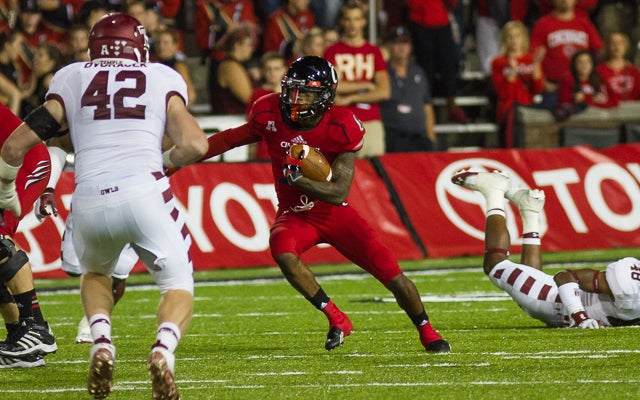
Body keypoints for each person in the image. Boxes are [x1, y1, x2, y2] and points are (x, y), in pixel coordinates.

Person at [0, 13, 208, 398]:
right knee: (177, 284)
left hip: (89, 196)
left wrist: (7, 189)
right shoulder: (161, 76)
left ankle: (100, 341)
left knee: (95, 274)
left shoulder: (71, 76)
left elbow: (14, 146)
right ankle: (163, 349)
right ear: (139, 46)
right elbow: (196, 144)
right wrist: (163, 162)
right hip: (146, 191)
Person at [193, 55, 450, 353]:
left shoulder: (341, 125)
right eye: (292, 90)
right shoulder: (269, 111)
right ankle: (337, 318)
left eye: (306, 93)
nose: (295, 99)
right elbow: (228, 140)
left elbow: (339, 192)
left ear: (325, 95)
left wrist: (299, 180)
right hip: (295, 214)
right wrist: (182, 159)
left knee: (392, 275)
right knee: (282, 250)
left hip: (332, 214)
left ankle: (427, 330)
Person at [451, 169, 640, 328]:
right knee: (494, 265)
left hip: (558, 307)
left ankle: (530, 211)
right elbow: (565, 277)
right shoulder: (629, 282)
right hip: (548, 299)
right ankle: (493, 191)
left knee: (532, 273)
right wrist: (580, 316)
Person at [0, 102, 55, 369]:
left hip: (25, 164)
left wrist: (51, 187)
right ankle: (18, 339)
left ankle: (36, 327)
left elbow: (23, 142)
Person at [323, 1, 391, 158]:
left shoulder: (374, 52)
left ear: (363, 21)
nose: (352, 24)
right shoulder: (332, 51)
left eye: (356, 19)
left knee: (376, 171)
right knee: (344, 172)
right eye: (348, 19)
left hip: (370, 121)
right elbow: (333, 85)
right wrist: (366, 85)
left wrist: (351, 97)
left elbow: (384, 91)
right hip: (342, 122)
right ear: (342, 22)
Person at [530, 0, 604, 110]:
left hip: (583, 88)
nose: (564, 0)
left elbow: (600, 52)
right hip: (554, 89)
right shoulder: (542, 25)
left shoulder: (585, 24)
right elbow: (534, 58)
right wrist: (543, 83)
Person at [406, 0, 468, 123]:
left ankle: (452, 106)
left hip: (441, 19)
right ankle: (426, 108)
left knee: (449, 64)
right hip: (421, 21)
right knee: (426, 68)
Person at [379, 26, 437, 152]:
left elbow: (427, 106)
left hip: (419, 138)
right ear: (388, 46)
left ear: (410, 46)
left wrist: (431, 136)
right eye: (396, 42)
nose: (401, 47)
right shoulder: (381, 71)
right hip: (392, 137)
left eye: (405, 42)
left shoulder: (418, 72)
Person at [490, 21, 544, 148]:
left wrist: (536, 66)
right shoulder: (498, 62)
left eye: (517, 36)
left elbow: (537, 89)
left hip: (528, 110)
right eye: (510, 36)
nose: (514, 40)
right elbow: (503, 92)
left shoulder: (531, 60)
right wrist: (512, 70)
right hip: (508, 111)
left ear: (524, 38)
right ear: (505, 39)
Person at [246, 51, 287, 160]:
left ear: (284, 70)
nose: (272, 73)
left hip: (287, 149)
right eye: (269, 69)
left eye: (276, 69)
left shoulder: (292, 93)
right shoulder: (257, 94)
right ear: (263, 71)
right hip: (265, 150)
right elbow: (253, 122)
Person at [556, 50, 617, 120]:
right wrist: (595, 101)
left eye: (587, 61)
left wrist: (586, 99)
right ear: (574, 65)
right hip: (578, 123)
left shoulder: (600, 79)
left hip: (601, 120)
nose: (584, 65)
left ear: (592, 64)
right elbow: (565, 106)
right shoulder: (567, 81)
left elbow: (614, 102)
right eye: (580, 62)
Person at [210, 26, 256, 115]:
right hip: (232, 121)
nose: (251, 49)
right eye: (249, 45)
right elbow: (249, 98)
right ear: (237, 45)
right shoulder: (230, 67)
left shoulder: (237, 65)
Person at [596, 32, 640, 103]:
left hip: (632, 111)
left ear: (626, 46)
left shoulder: (633, 70)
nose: (617, 46)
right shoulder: (600, 70)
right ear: (607, 46)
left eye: (620, 42)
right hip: (609, 111)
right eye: (613, 43)